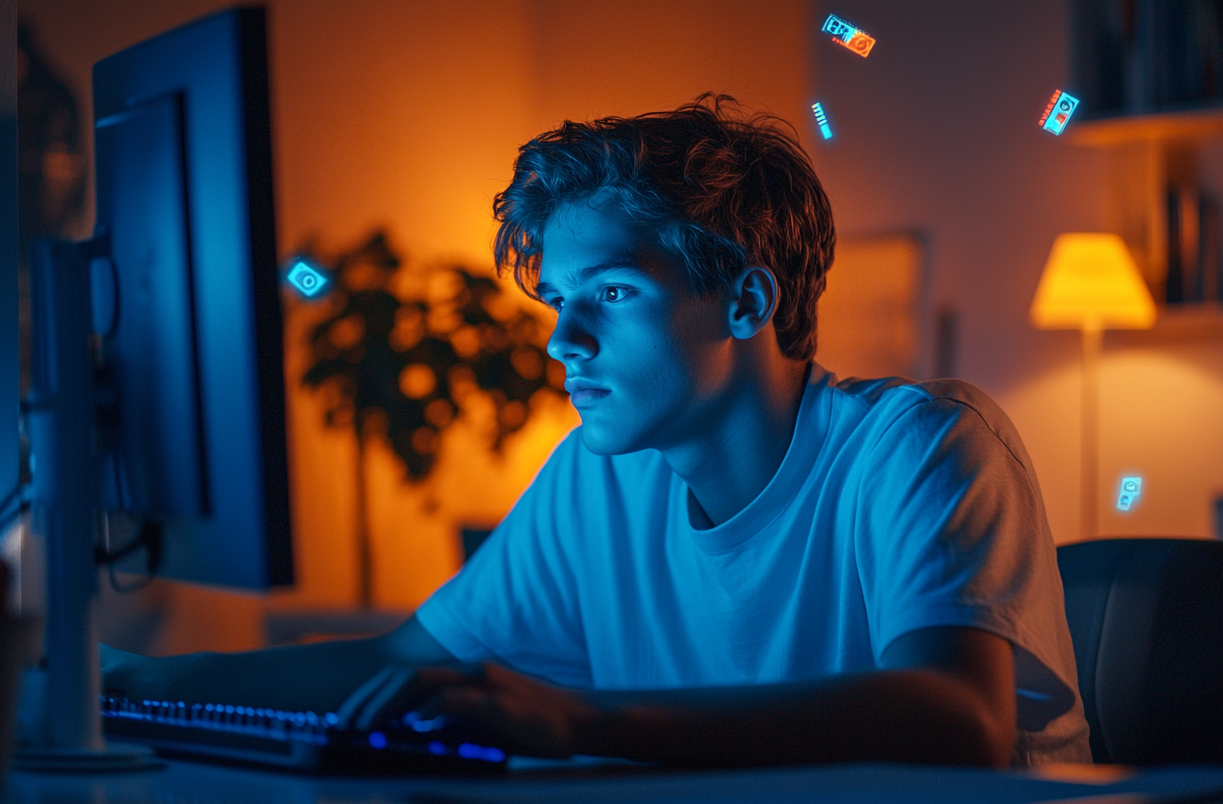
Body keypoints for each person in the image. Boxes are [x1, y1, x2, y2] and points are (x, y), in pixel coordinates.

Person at [101, 94, 1091, 768]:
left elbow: (955, 720)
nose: (563, 340)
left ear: (746, 300)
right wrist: (147, 681)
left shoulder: (918, 446)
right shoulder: (598, 478)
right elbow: (407, 658)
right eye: (561, 300)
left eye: (611, 293)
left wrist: (578, 718)